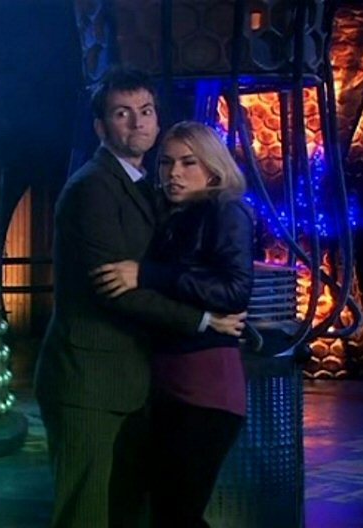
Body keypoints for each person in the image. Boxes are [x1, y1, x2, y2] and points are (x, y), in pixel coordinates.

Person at [33, 67, 245, 528]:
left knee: (129, 511)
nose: (137, 122)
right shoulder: (93, 188)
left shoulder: (146, 186)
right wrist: (202, 320)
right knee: (85, 513)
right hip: (89, 381)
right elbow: (114, 289)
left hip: (136, 381)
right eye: (122, 113)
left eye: (145, 111)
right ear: (100, 127)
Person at [93, 120, 254, 527]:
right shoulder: (173, 215)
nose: (174, 173)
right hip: (170, 380)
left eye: (187, 162)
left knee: (177, 514)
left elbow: (235, 291)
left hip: (206, 383)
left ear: (213, 169)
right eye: (166, 163)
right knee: (169, 511)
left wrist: (148, 275)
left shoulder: (225, 211)